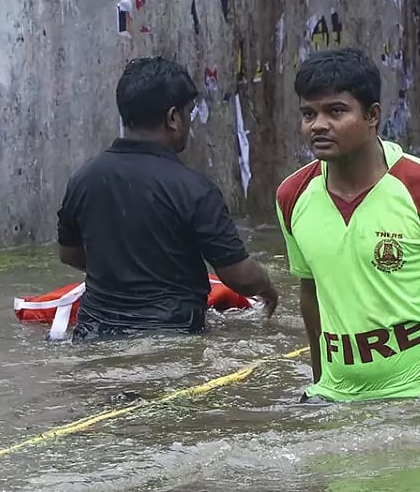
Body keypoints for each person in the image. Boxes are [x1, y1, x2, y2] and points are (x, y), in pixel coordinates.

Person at [275, 48, 420, 402]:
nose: (318, 125)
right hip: (335, 393)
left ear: (372, 115)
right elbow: (309, 295)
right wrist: (320, 386)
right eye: (308, 114)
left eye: (336, 111)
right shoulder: (291, 195)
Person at [55, 56, 278, 342]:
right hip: (172, 335)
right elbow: (241, 277)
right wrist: (269, 287)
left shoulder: (83, 179)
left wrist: (121, 270)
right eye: (189, 112)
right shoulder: (194, 189)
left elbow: (68, 253)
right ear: (173, 118)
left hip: (93, 336)